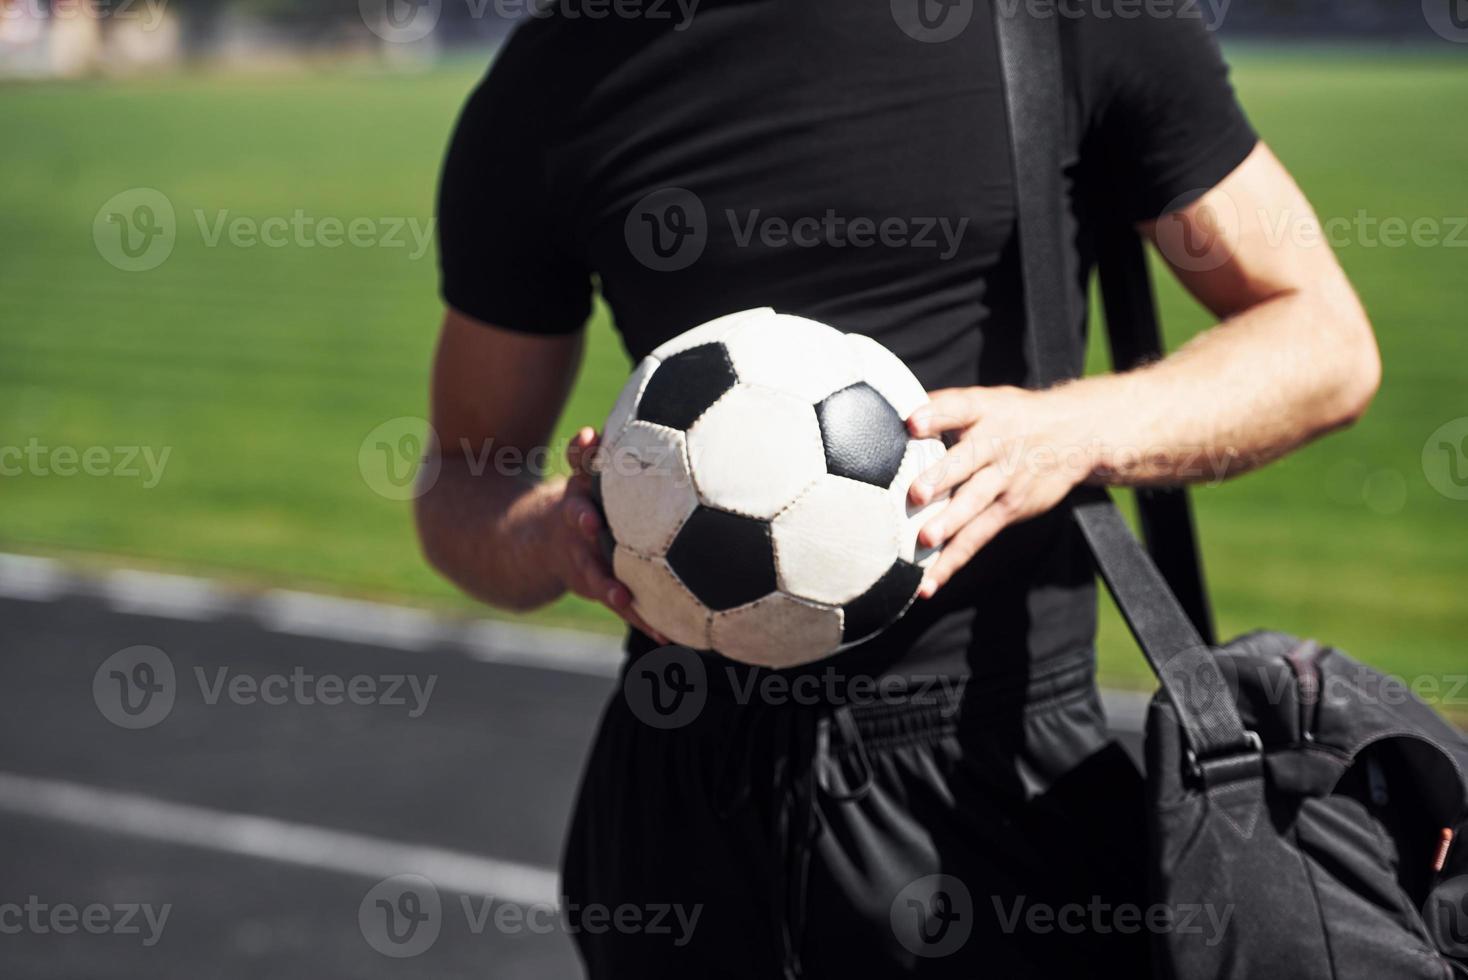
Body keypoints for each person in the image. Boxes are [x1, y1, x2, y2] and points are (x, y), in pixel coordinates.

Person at [416, 2, 1380, 976]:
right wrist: (551, 531)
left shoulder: (1064, 20)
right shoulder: (554, 74)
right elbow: (460, 481)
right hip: (683, 805)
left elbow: (1324, 343)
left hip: (998, 782)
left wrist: (1077, 430)